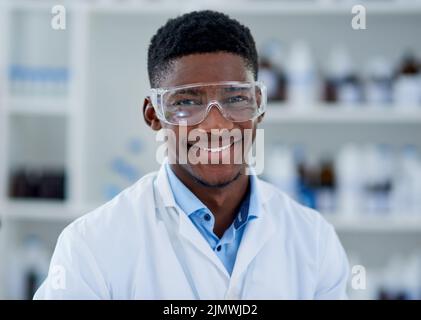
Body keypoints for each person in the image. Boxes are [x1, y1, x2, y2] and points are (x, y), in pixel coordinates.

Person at [34, 10, 349, 300]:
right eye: (187, 103)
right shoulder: (90, 248)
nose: (214, 123)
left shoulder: (314, 241)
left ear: (258, 106)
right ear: (153, 114)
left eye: (236, 98)